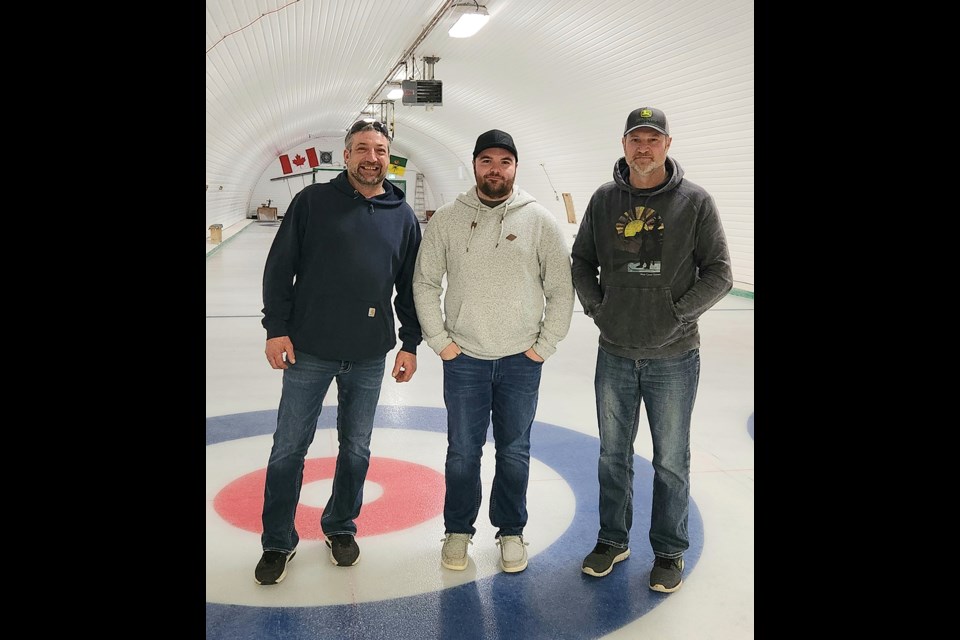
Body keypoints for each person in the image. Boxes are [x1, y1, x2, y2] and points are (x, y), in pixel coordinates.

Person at [571, 107, 733, 593]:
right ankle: (612, 540)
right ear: (624, 145)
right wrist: (600, 308)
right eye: (635, 139)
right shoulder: (604, 200)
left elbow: (720, 272)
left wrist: (677, 314)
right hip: (615, 352)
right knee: (611, 455)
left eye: (653, 138)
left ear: (667, 144)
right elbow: (581, 261)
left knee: (670, 459)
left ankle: (668, 551)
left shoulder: (695, 202)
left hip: (675, 357)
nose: (644, 147)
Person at [255, 120, 423, 585]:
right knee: (289, 446)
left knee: (357, 447)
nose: (372, 157)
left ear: (390, 158)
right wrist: (276, 329)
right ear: (346, 155)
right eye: (363, 149)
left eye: (381, 150)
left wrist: (410, 342)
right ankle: (277, 540)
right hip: (310, 348)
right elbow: (279, 269)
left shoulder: (402, 215)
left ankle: (341, 526)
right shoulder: (311, 202)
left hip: (369, 354)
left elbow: (410, 288)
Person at [412, 129, 574, 574]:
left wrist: (544, 346)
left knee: (514, 450)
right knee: (463, 451)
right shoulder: (447, 218)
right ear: (475, 165)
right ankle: (459, 531)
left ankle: (511, 531)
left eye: (505, 161)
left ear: (515, 167)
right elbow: (425, 282)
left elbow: (561, 288)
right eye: (487, 160)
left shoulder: (539, 220)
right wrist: (441, 342)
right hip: (464, 358)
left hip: (522, 360)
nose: (496, 169)